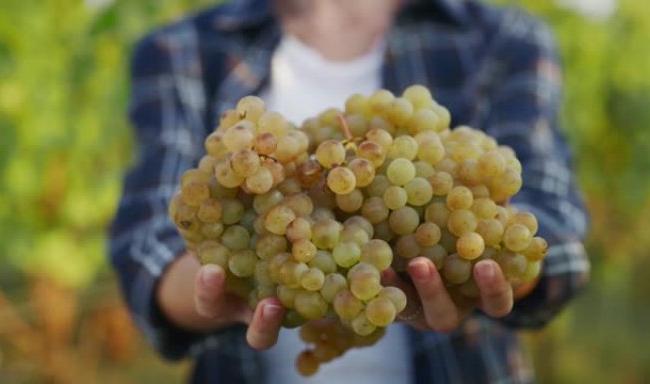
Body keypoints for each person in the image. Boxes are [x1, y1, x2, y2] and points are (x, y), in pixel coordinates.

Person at [108, 0, 590, 382]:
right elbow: (148, 245)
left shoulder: (506, 40)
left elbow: (554, 235)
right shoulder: (182, 48)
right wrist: (220, 285)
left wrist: (495, 275)